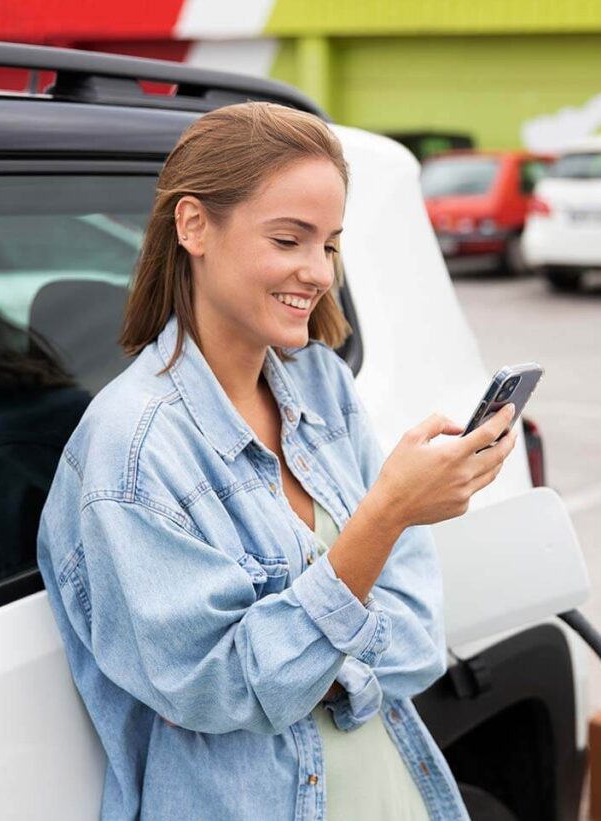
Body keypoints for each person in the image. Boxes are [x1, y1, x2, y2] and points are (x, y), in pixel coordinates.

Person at [36, 101, 517, 820]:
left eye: (329, 244)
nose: (319, 271)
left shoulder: (320, 380)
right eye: (290, 238)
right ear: (193, 225)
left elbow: (417, 638)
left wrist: (308, 669)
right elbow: (224, 690)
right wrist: (385, 515)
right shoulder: (131, 452)